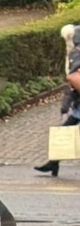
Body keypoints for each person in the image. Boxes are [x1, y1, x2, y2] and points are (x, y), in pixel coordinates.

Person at [36, 23, 80, 175]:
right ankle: (53, 163)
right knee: (63, 133)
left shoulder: (76, 55)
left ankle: (53, 163)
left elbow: (73, 81)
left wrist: (65, 104)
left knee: (64, 132)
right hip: (78, 106)